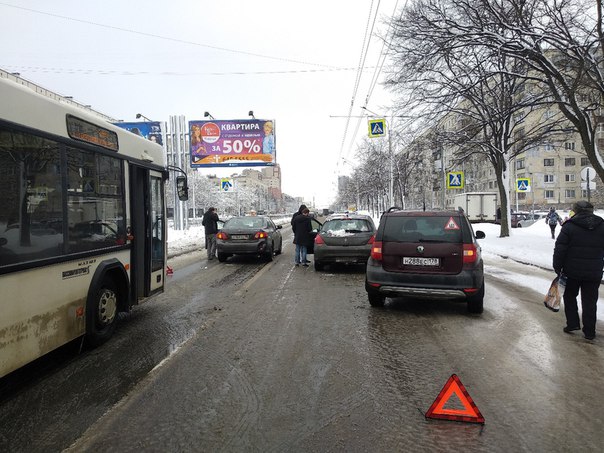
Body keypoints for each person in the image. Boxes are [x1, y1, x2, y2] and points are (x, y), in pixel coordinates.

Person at [553, 200, 604, 340]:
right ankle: (589, 331)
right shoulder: (602, 225)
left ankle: (573, 323)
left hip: (571, 271)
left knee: (570, 297)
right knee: (589, 301)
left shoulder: (569, 227)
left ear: (576, 211)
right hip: (594, 272)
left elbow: (560, 249)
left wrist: (558, 267)